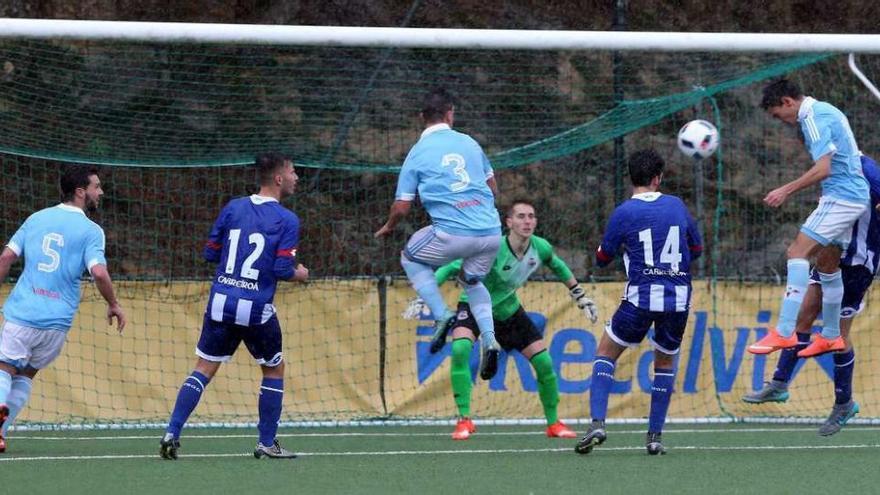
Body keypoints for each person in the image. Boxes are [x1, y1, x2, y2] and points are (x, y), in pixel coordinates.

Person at [406, 200, 598, 440]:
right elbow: (452, 266)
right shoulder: (492, 247)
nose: (527, 221)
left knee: (545, 363)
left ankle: (553, 424)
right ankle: (464, 420)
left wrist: (579, 295)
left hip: (509, 311)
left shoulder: (541, 247)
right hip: (475, 306)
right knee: (461, 349)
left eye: (531, 216)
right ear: (509, 222)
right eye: (520, 216)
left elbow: (558, 266)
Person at [159, 153, 309, 460]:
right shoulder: (287, 220)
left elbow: (210, 253)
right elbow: (282, 269)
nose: (297, 177)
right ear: (279, 178)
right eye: (293, 172)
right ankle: (266, 442)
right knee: (274, 368)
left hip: (221, 303)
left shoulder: (233, 207)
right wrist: (301, 275)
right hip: (256, 309)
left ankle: (171, 432)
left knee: (203, 368)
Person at [575, 149, 702, 456]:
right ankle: (655, 436)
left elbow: (602, 259)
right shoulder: (677, 205)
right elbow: (696, 248)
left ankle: (597, 423)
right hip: (677, 299)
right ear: (658, 178)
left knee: (606, 352)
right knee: (664, 363)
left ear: (630, 177)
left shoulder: (624, 212)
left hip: (641, 298)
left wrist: (614, 250)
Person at [743, 154, 880, 436]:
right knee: (803, 317)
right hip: (830, 256)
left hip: (857, 262)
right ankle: (780, 384)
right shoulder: (830, 170)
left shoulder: (869, 173)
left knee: (839, 337)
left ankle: (844, 403)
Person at [375, 87, 503, 380]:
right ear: (450, 113)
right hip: (492, 232)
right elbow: (493, 188)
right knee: (471, 281)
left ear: (422, 117)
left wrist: (389, 226)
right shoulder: (470, 143)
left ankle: (442, 313)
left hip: (453, 234)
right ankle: (490, 338)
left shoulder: (417, 153)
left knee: (410, 257)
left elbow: (402, 207)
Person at [0, 165, 126, 453]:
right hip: (57, 322)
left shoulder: (36, 218)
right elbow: (99, 273)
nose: (100, 192)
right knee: (26, 375)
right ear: (81, 192)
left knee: (3, 369)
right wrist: (114, 304)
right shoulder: (92, 231)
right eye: (96, 187)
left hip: (23, 313)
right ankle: (1, 431)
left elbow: (6, 257)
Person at [748, 79, 869, 359]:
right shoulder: (826, 110)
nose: (783, 122)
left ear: (788, 102)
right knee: (827, 263)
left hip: (843, 197)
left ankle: (785, 330)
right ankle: (830, 336)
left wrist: (785, 189)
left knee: (796, 252)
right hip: (847, 196)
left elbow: (824, 168)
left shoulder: (812, 118)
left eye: (779, 115)